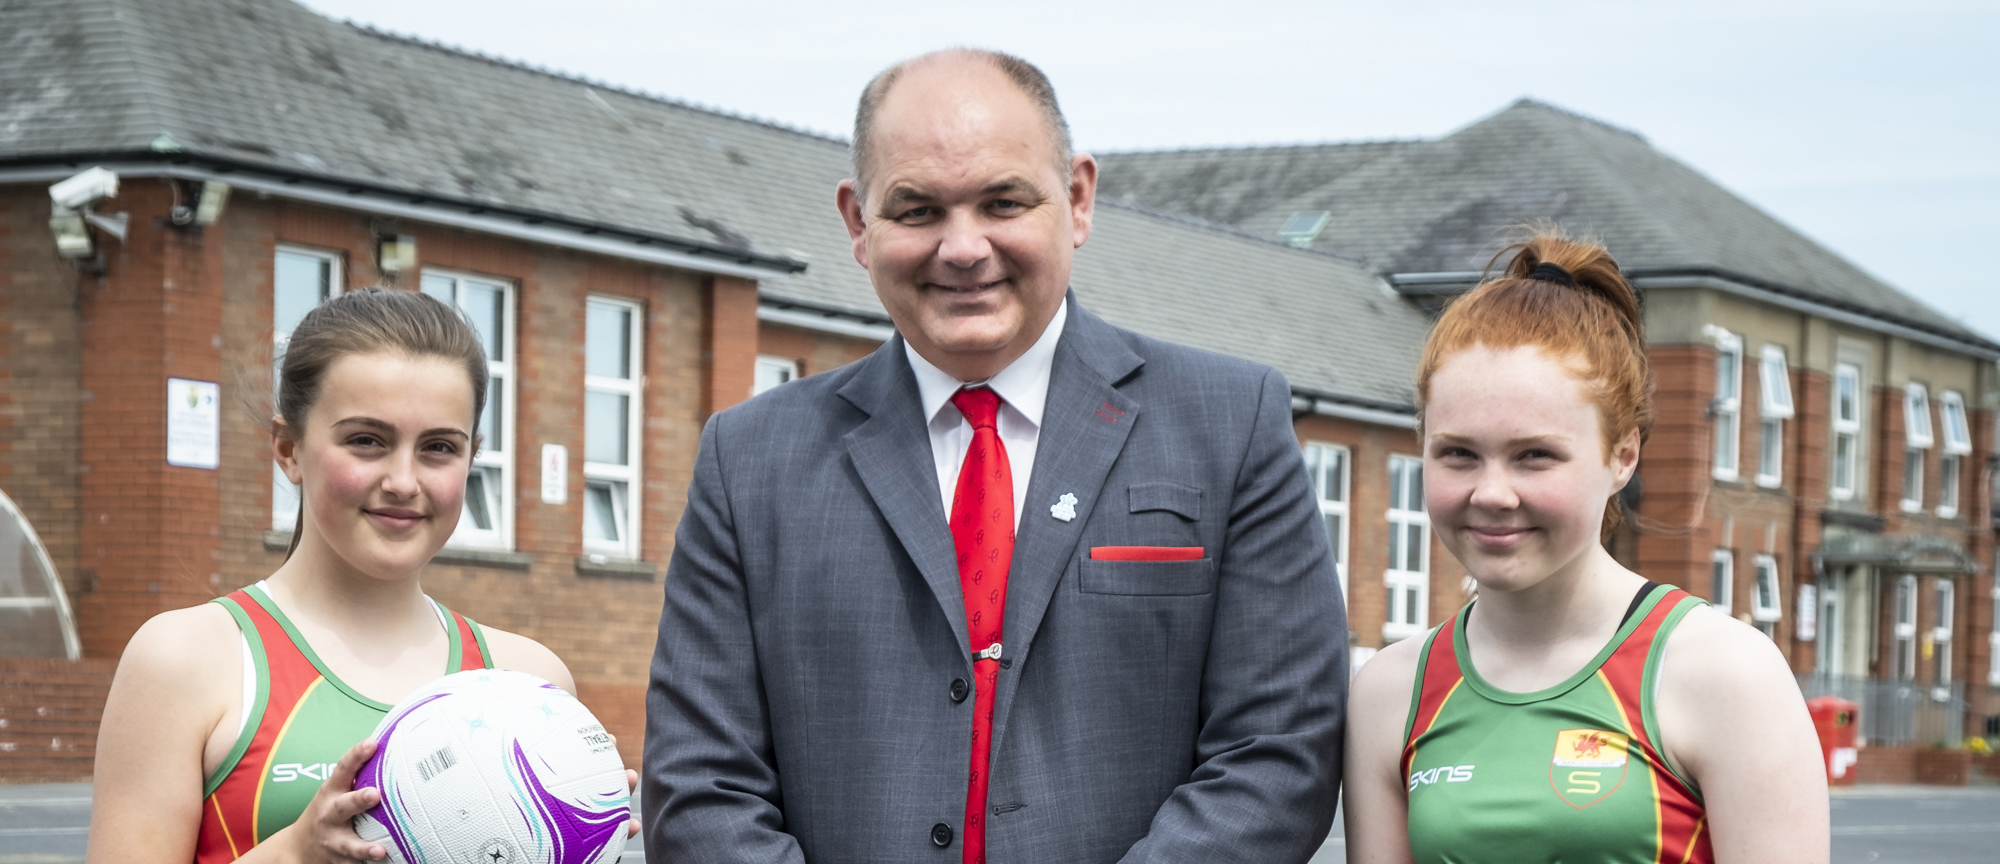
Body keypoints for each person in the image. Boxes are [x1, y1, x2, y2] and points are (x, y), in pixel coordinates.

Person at [643, 49, 1346, 864]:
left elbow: (1277, 753)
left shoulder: (1232, 426)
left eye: (1003, 201)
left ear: (1078, 199)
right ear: (857, 224)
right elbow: (699, 786)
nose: (963, 247)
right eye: (917, 211)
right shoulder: (748, 461)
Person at [86, 289, 632, 863]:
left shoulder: (527, 681)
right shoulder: (185, 659)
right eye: (366, 441)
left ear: (473, 458)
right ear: (289, 448)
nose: (402, 479)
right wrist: (296, 851)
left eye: (439, 447)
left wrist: (588, 840)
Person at [1343, 234, 1830, 863]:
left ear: (1622, 456)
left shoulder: (1728, 674)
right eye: (1458, 453)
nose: (1492, 493)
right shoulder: (1388, 692)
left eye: (1535, 456)